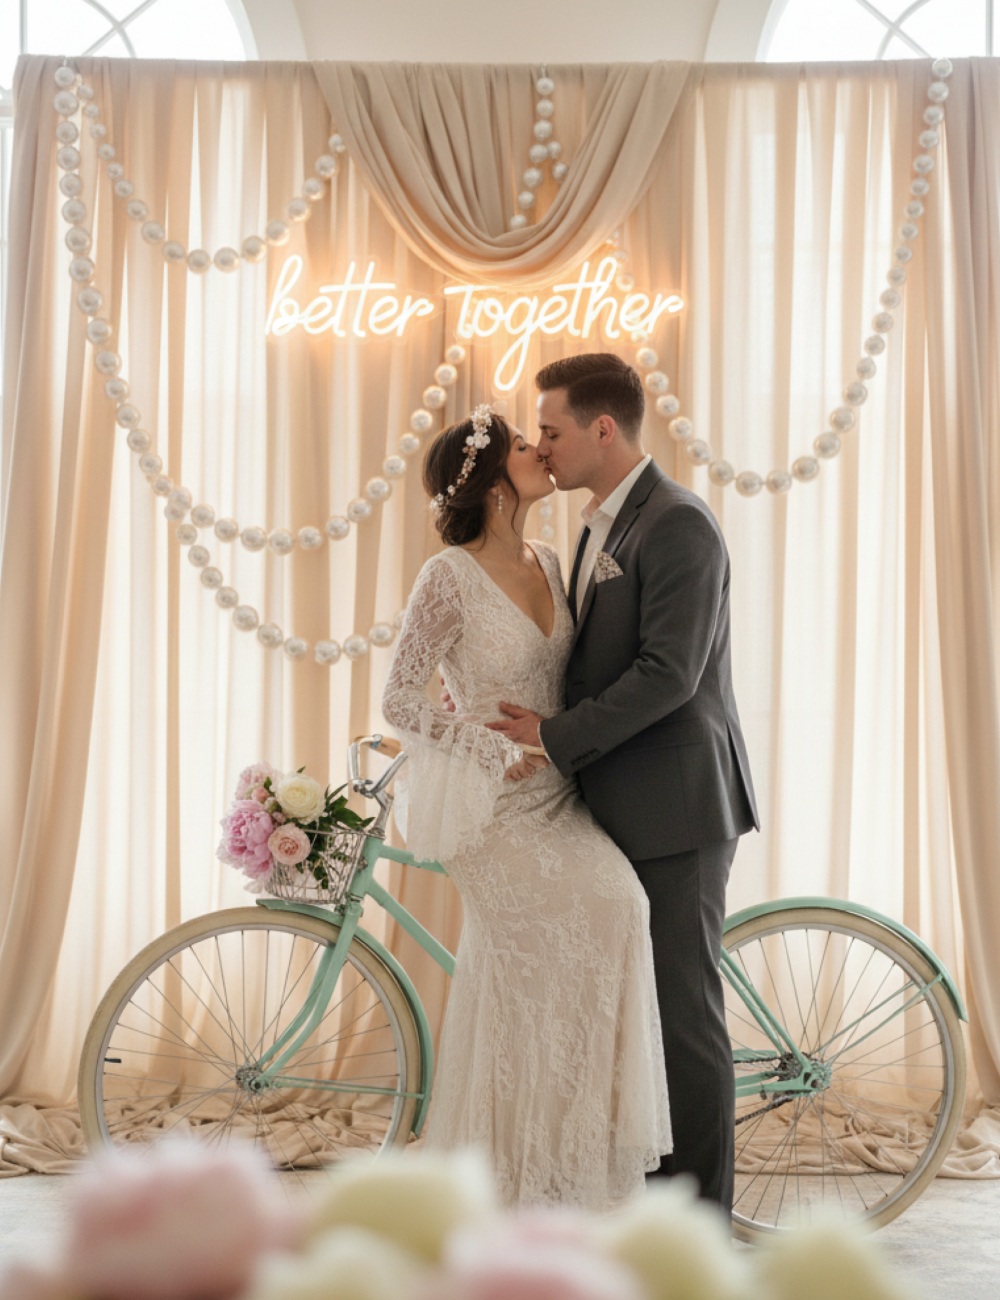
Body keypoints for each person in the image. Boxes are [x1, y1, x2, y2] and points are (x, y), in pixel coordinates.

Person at [381, 404, 671, 1210]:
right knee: (537, 964)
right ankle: (506, 1184)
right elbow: (400, 698)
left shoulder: (552, 556)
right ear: (488, 479)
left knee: (618, 910)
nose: (542, 451)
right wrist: (486, 747)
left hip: (560, 792)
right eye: (524, 445)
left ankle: (570, 1171)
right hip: (493, 809)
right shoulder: (448, 575)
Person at [487, 354, 758, 1216]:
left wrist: (556, 737)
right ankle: (647, 1206)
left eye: (554, 431)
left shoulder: (678, 522)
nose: (543, 447)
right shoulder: (598, 525)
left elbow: (669, 673)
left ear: (605, 429)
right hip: (618, 802)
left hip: (677, 806)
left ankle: (700, 1230)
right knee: (635, 1012)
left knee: (681, 1020)